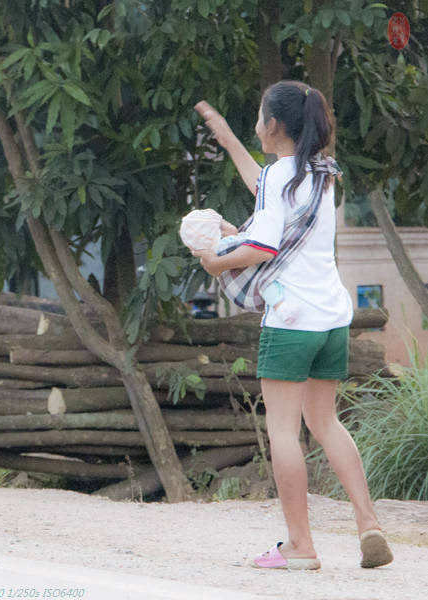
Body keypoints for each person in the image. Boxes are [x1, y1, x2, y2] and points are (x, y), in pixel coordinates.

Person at [192, 81, 394, 570]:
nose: (255, 125)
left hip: (290, 320)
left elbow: (261, 244)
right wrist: (228, 141)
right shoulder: (319, 174)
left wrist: (215, 260)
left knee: (283, 430)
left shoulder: (282, 176)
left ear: (275, 125)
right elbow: (267, 189)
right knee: (324, 422)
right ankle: (369, 523)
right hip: (330, 317)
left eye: (258, 118)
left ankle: (301, 546)